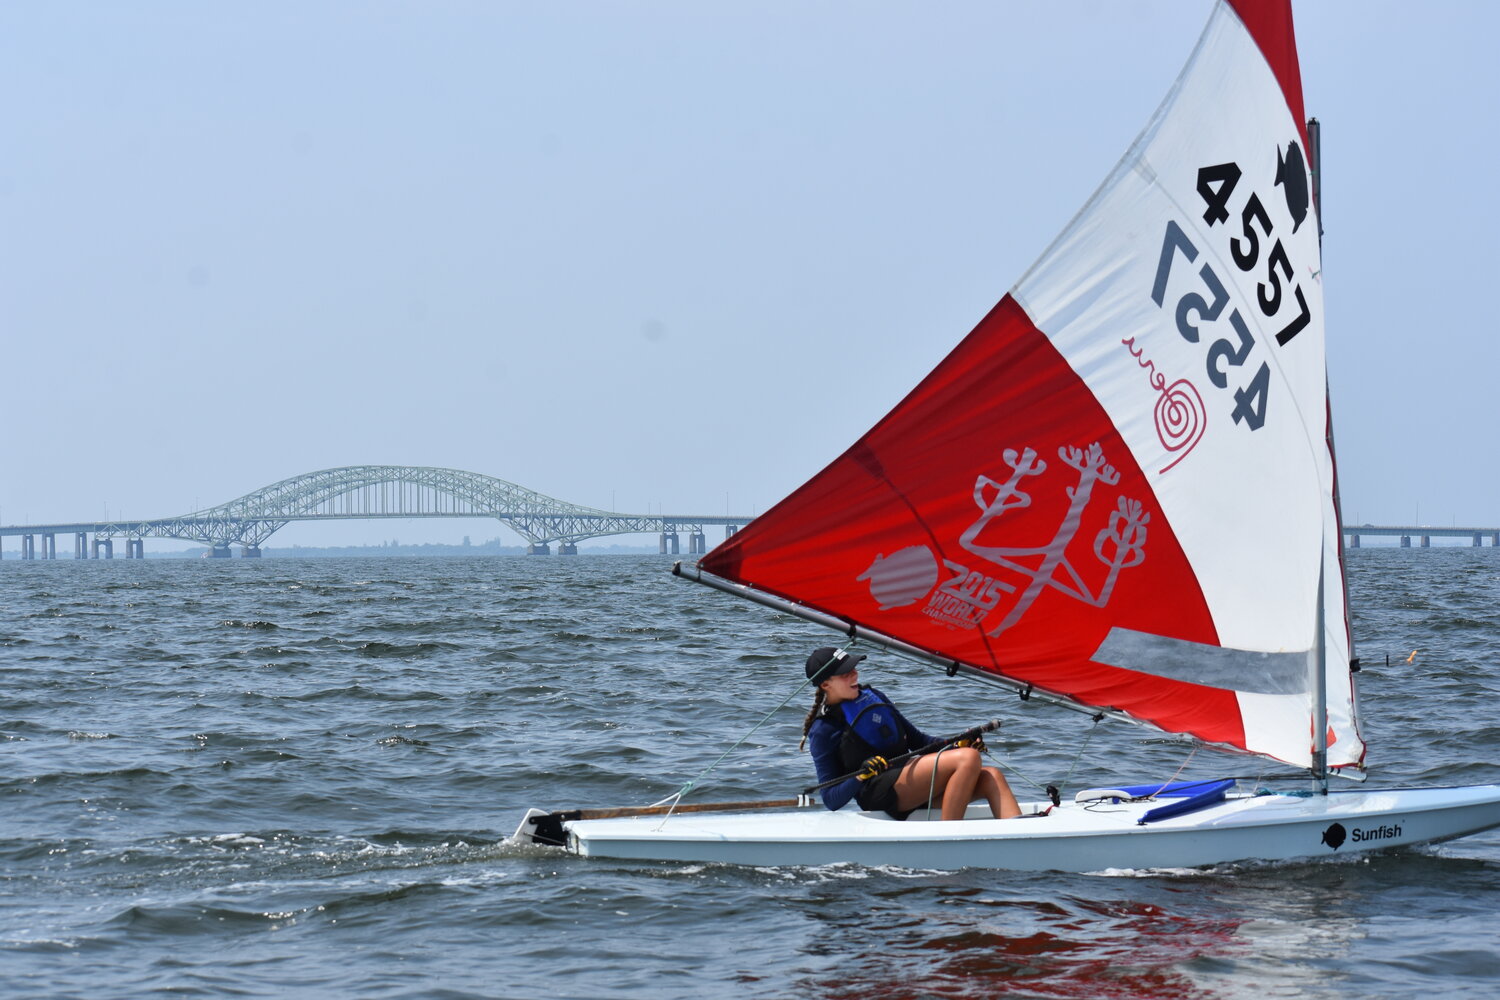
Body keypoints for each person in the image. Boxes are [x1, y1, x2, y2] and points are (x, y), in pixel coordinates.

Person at [800, 646, 1021, 821]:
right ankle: (949, 842)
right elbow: (831, 799)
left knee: (991, 776)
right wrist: (861, 776)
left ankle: (1020, 840)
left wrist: (957, 745)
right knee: (969, 758)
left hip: (910, 781)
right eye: (845, 673)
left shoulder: (873, 695)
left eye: (854, 667)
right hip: (879, 794)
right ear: (826, 684)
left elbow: (918, 741)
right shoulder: (824, 729)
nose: (854, 673)